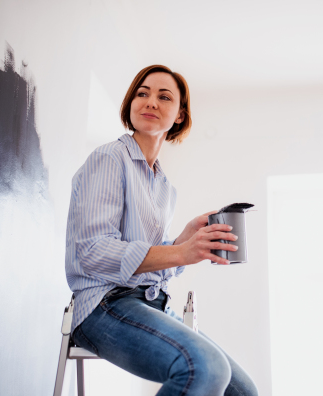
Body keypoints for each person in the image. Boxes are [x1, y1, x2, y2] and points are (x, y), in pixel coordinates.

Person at [65, 65, 258, 396]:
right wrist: (180, 251)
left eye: (163, 97)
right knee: (207, 368)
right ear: (130, 104)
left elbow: (149, 260)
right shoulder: (110, 158)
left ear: (180, 115)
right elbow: (92, 253)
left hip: (151, 303)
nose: (150, 102)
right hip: (103, 306)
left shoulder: (163, 185)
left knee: (243, 391)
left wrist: (182, 242)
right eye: (142, 93)